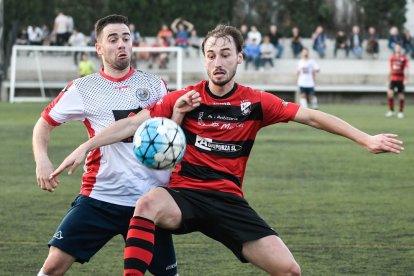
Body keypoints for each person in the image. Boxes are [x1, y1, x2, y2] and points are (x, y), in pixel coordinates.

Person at [51, 24, 404, 276]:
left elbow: (310, 116)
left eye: (225, 55)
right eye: (210, 55)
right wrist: (87, 144)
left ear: (239, 58)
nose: (217, 62)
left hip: (228, 200)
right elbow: (132, 123)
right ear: (204, 60)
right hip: (184, 196)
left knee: (289, 269)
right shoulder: (187, 97)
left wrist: (365, 138)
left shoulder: (255, 102)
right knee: (146, 203)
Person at [32, 14, 178, 276]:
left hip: (148, 200)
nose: (121, 44)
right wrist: (42, 159)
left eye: (126, 38)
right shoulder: (82, 88)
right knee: (53, 266)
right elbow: (44, 123)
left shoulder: (155, 86)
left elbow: (171, 131)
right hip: (101, 196)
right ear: (99, 48)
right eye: (113, 39)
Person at [385, 44, 409, 119]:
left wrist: (406, 79)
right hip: (393, 79)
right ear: (395, 49)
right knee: (390, 93)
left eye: (399, 47)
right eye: (396, 47)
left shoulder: (404, 58)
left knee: (401, 96)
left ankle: (401, 112)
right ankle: (391, 111)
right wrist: (388, 80)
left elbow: (406, 70)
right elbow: (390, 69)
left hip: (400, 80)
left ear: (401, 49)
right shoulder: (392, 58)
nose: (398, 49)